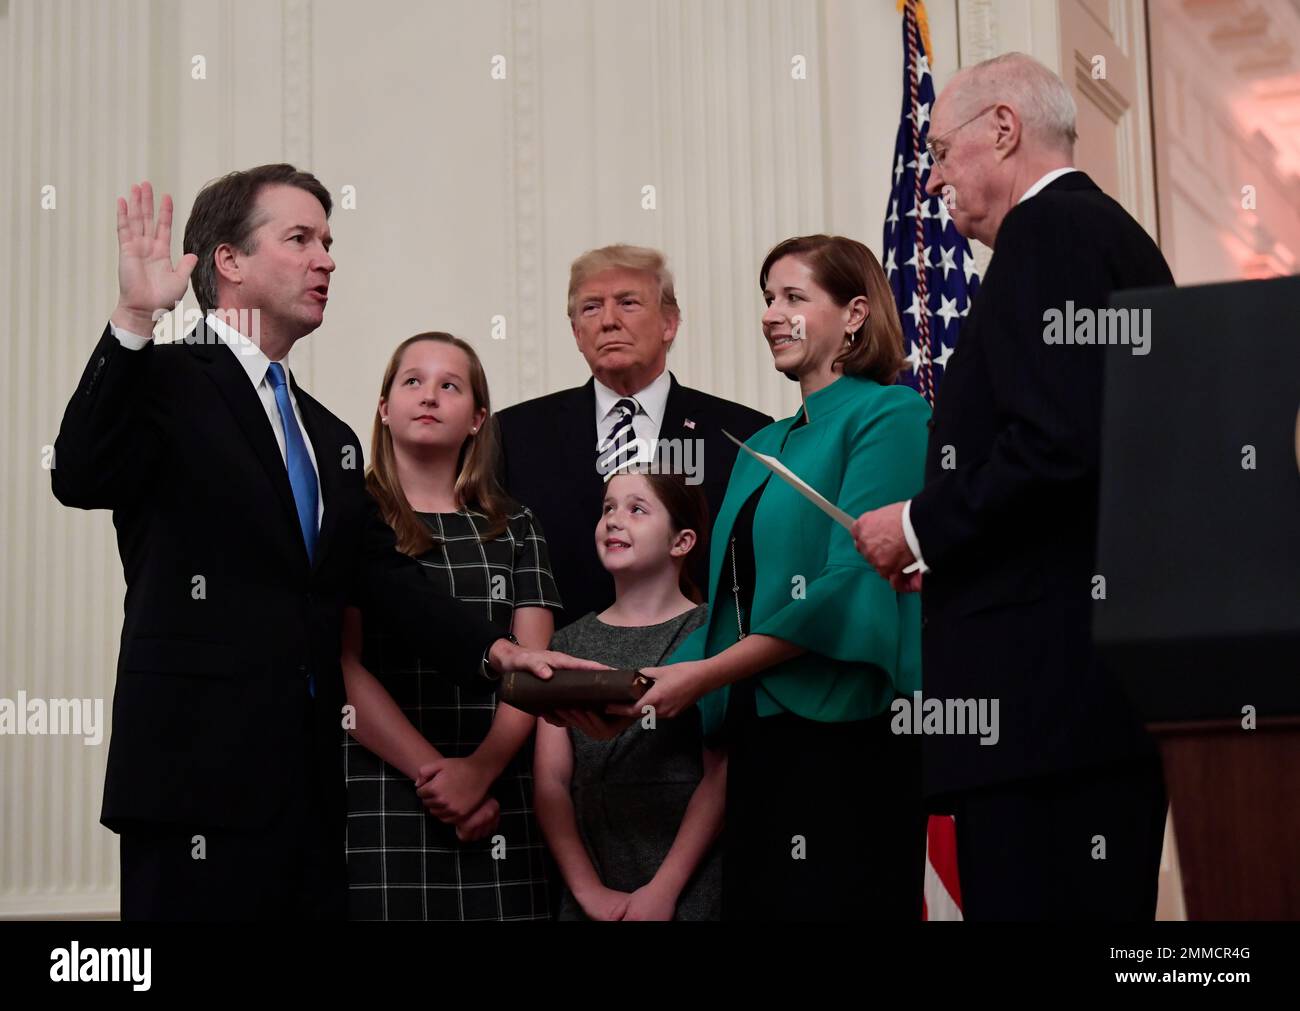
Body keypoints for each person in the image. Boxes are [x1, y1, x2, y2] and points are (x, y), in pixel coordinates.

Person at [50, 166, 600, 920]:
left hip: (309, 787)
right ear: (229, 262)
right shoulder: (163, 378)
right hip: (193, 780)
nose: (327, 259)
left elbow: (381, 578)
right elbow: (78, 471)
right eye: (300, 239)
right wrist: (132, 321)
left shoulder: (327, 433)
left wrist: (501, 655)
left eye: (329, 242)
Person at [850, 53, 1173, 920]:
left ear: (1003, 128)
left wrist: (918, 527)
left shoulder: (1050, 235)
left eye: (943, 153)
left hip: (1043, 714)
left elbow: (1056, 444)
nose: (938, 180)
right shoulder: (1106, 233)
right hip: (1081, 704)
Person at [606, 235, 930, 921]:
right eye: (766, 299)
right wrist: (629, 690)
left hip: (847, 740)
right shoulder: (758, 446)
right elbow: (727, 610)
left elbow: (850, 585)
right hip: (755, 749)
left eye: (793, 297)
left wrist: (707, 674)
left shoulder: (893, 414)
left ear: (854, 313)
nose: (770, 314)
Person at [341, 332, 559, 920]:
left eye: (450, 385)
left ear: (477, 418)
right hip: (382, 786)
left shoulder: (515, 526)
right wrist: (433, 777)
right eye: (411, 381)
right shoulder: (348, 518)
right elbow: (344, 667)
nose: (429, 395)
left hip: (498, 789)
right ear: (384, 409)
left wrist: (478, 773)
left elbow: (534, 668)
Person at [495, 244, 771, 625]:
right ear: (576, 332)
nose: (608, 320)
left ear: (669, 323)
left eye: (628, 303)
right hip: (558, 667)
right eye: (591, 307)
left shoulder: (742, 434)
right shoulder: (514, 434)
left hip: (701, 664)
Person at [534, 471, 723, 921]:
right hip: (592, 883)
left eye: (637, 509)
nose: (615, 520)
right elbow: (551, 782)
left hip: (686, 886)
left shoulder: (711, 635)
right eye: (608, 508)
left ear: (682, 542)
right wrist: (588, 892)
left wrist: (664, 890)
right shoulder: (565, 645)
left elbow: (720, 775)